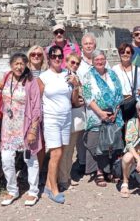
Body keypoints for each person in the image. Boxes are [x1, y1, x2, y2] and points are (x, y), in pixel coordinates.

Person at [0, 53, 43, 207]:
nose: (19, 66)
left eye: (22, 63)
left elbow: (36, 106)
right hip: (8, 126)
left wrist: (33, 130)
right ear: (11, 65)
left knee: (30, 158)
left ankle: (33, 191)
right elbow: (4, 94)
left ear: (26, 65)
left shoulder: (31, 81)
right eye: (16, 63)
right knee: (7, 158)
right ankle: (12, 189)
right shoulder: (7, 76)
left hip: (26, 125)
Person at [38, 45, 80, 204]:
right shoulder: (43, 77)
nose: (57, 58)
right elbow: (37, 100)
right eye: (54, 56)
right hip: (51, 118)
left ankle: (49, 184)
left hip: (66, 117)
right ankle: (54, 189)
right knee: (55, 153)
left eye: (59, 56)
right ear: (48, 58)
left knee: (60, 153)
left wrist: (75, 85)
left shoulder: (67, 74)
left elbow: (74, 101)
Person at [81, 50, 124, 187]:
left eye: (102, 59)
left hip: (114, 115)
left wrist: (115, 112)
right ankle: (98, 171)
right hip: (96, 115)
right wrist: (100, 113)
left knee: (112, 143)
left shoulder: (112, 74)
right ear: (92, 62)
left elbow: (119, 93)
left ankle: (110, 170)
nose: (99, 62)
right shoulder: (88, 76)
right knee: (97, 144)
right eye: (96, 60)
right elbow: (88, 97)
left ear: (105, 60)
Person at [58, 53, 85, 190]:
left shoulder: (75, 76)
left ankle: (66, 176)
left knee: (70, 150)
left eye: (77, 63)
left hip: (74, 116)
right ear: (66, 62)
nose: (74, 65)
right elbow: (73, 99)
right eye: (72, 62)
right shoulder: (67, 77)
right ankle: (63, 179)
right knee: (66, 150)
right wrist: (78, 99)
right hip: (68, 115)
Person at [112, 42, 140, 122]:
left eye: (128, 52)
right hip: (118, 104)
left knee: (131, 129)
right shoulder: (114, 69)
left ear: (132, 54)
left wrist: (131, 99)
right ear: (119, 54)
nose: (125, 54)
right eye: (122, 52)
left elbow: (139, 89)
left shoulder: (137, 70)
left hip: (132, 104)